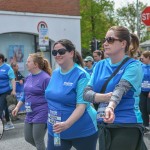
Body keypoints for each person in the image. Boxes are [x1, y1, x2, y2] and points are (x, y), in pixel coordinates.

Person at [83, 26, 147, 150]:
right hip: (104, 124)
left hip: (126, 123)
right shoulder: (99, 65)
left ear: (123, 43)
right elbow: (86, 93)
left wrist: (110, 106)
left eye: (110, 40)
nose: (105, 43)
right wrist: (103, 97)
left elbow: (120, 89)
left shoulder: (134, 65)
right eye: (105, 39)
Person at [45, 39, 112, 150]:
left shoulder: (82, 75)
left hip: (83, 130)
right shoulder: (55, 73)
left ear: (71, 53)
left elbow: (81, 106)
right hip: (57, 130)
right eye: (54, 52)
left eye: (61, 52)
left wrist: (66, 124)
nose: (57, 55)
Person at [12, 53, 52, 150]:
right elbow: (25, 95)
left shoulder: (46, 78)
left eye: (28, 61)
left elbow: (51, 97)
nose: (26, 63)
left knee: (38, 140)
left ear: (35, 64)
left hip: (42, 112)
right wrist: (17, 107)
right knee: (28, 138)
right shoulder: (28, 77)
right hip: (30, 112)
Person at [0, 53, 16, 130]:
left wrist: (14, 90)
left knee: (0, 107)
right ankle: (9, 122)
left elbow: (12, 79)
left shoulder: (7, 68)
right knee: (5, 107)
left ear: (0, 59)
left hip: (5, 91)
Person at [139, 50, 150, 133]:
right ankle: (146, 126)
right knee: (143, 109)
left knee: (149, 109)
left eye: (143, 58)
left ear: (148, 58)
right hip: (142, 91)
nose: (141, 59)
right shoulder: (141, 66)